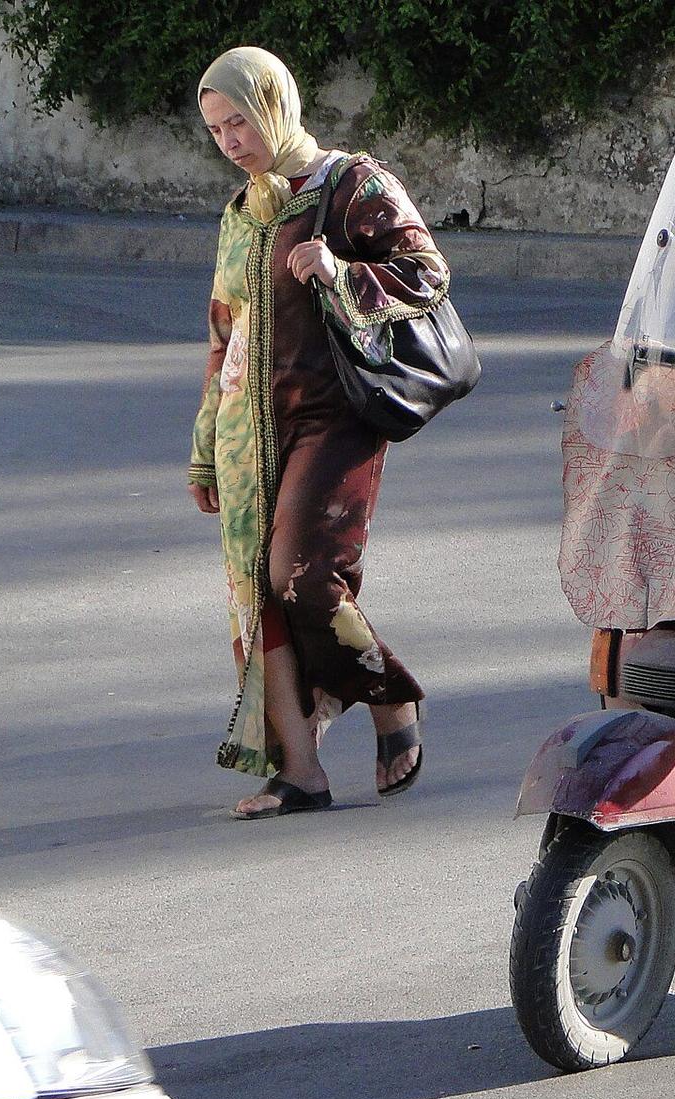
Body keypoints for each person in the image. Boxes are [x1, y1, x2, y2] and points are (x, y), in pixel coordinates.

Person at [188, 47, 438, 816]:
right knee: (256, 598)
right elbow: (224, 337)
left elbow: (427, 273)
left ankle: (390, 695)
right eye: (216, 129)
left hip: (336, 417)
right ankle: (300, 771)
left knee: (301, 576)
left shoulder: (351, 183)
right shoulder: (241, 212)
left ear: (275, 106)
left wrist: (340, 272)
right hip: (247, 433)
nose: (231, 141)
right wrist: (204, 451)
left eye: (239, 120)